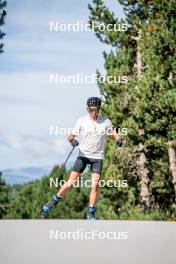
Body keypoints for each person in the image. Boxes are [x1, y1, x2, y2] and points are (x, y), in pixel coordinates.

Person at [40, 97, 122, 220]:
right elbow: (70, 136)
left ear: (99, 109)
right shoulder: (82, 121)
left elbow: (113, 133)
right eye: (91, 110)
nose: (94, 112)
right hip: (83, 155)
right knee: (71, 182)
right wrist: (72, 141)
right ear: (88, 109)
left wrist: (118, 139)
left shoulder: (105, 121)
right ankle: (53, 201)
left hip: (97, 158)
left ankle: (90, 212)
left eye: (96, 110)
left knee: (95, 186)